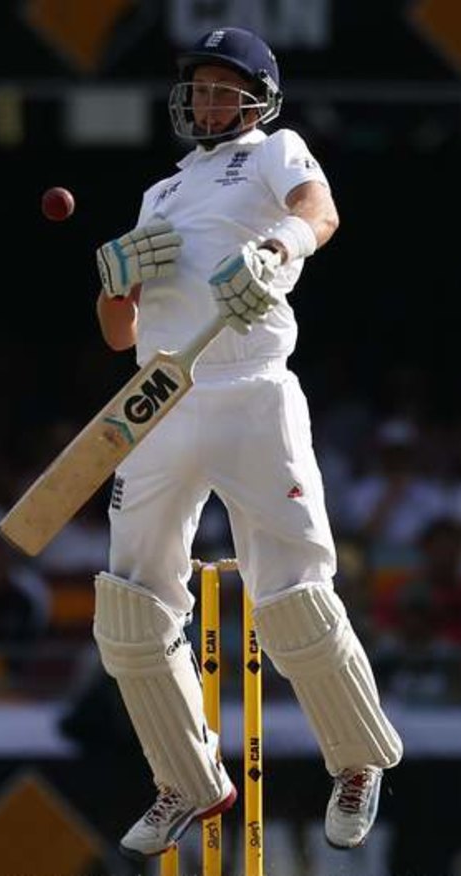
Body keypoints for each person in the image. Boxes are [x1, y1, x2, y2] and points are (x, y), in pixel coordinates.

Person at [91, 26, 402, 862]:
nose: (209, 100)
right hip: (159, 396)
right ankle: (187, 783)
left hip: (252, 389)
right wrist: (114, 283)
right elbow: (119, 337)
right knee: (128, 607)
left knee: (292, 593)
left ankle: (357, 761)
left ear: (257, 98)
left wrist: (278, 246)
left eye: (226, 89)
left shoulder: (276, 152)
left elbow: (320, 211)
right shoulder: (160, 195)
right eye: (200, 87)